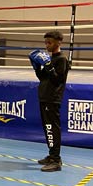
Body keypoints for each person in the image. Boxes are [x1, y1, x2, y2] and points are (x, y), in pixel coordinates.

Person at [29, 30, 69, 172]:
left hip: (53, 99)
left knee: (52, 128)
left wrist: (49, 66)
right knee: (48, 128)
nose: (47, 45)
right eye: (45, 42)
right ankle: (52, 156)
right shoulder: (50, 59)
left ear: (58, 42)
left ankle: (56, 160)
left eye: (49, 42)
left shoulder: (62, 59)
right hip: (44, 97)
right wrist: (37, 67)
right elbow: (43, 78)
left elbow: (58, 79)